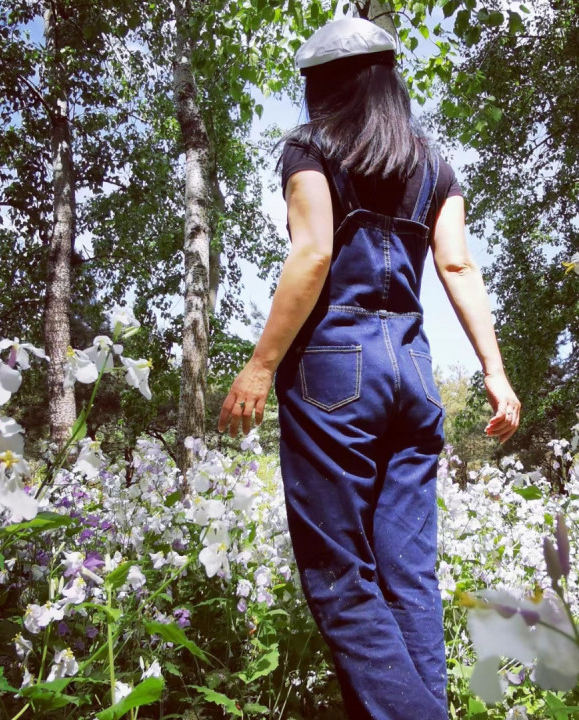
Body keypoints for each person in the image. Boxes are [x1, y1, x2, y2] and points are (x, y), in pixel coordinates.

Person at [218, 17, 520, 720]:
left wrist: (260, 365)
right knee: (408, 577)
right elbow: (457, 266)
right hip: (412, 371)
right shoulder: (433, 165)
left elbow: (313, 252)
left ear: (329, 86)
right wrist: (494, 372)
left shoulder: (310, 147)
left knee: (340, 577)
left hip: (334, 372)